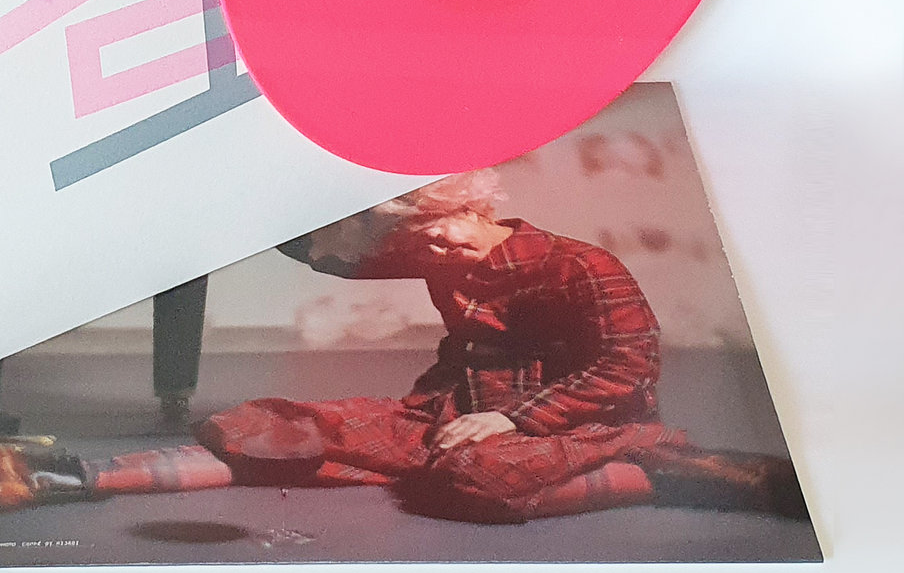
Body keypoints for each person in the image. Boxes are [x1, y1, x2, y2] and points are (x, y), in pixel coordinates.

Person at [188, 200, 808, 523]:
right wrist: (275, 199)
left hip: (578, 422)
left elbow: (628, 366)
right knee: (265, 423)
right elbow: (336, 259)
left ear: (474, 208)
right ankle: (433, 458)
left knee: (476, 479)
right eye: (419, 241)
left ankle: (653, 465)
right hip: (455, 411)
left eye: (442, 229)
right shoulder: (438, 256)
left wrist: (513, 420)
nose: (435, 247)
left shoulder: (582, 265)